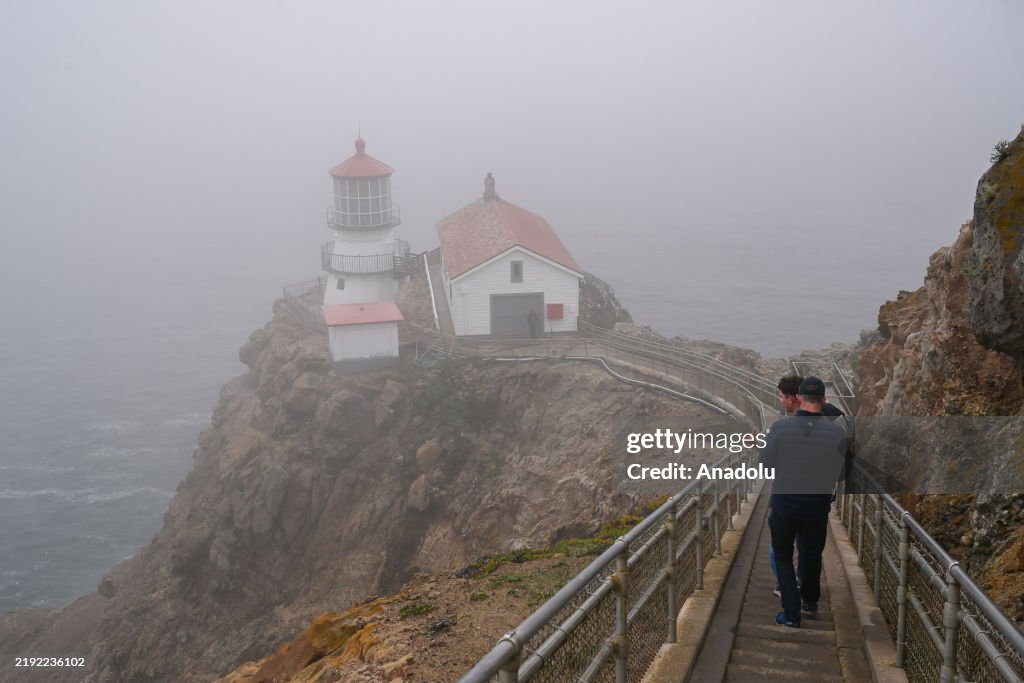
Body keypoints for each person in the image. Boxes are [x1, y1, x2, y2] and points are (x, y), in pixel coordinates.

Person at [760, 376, 846, 628]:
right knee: (812, 553)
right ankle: (810, 601)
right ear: (824, 400)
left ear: (799, 397)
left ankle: (791, 614)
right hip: (816, 506)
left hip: (785, 503)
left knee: (784, 555)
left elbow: (765, 465)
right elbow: (840, 474)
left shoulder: (780, 428)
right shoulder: (836, 432)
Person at [769, 375, 803, 598]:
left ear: (792, 399)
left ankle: (787, 589)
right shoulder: (830, 422)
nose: (780, 401)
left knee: (779, 551)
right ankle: (807, 595)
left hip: (787, 498)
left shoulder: (783, 427)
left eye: (781, 397)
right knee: (808, 549)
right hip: (817, 499)